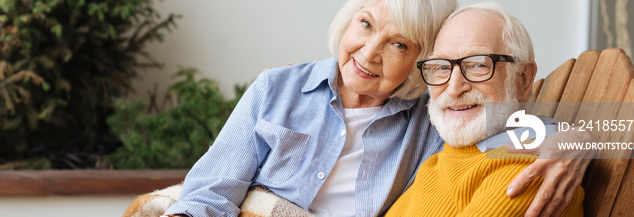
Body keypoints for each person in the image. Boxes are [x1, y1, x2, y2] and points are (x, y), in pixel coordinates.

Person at [163, 0, 591, 216]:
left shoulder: (432, 113)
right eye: (365, 24)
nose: (368, 53)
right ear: (349, 20)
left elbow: (499, 118)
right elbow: (210, 191)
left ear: (420, 64)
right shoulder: (278, 88)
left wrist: (574, 137)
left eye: (398, 44)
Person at [386, 2, 584, 217]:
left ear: (523, 78)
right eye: (442, 67)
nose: (453, 89)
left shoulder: (533, 169)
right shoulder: (442, 159)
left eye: (478, 64)